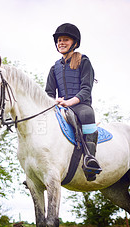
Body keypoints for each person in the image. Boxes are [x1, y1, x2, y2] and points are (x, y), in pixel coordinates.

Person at [45, 23, 101, 180]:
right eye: (59, 40)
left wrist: (69, 102)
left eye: (65, 40)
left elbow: (86, 89)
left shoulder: (84, 62)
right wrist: (55, 101)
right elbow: (49, 93)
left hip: (80, 105)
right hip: (60, 106)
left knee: (88, 115)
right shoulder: (54, 68)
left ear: (74, 43)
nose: (61, 43)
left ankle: (90, 159)